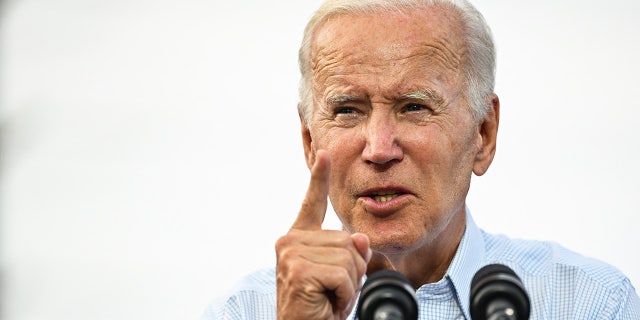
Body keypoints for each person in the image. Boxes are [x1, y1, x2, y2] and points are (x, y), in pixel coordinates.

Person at [201, 0, 640, 319]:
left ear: (483, 135)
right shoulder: (246, 312)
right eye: (347, 110)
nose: (378, 149)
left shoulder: (593, 303)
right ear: (309, 142)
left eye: (414, 107)